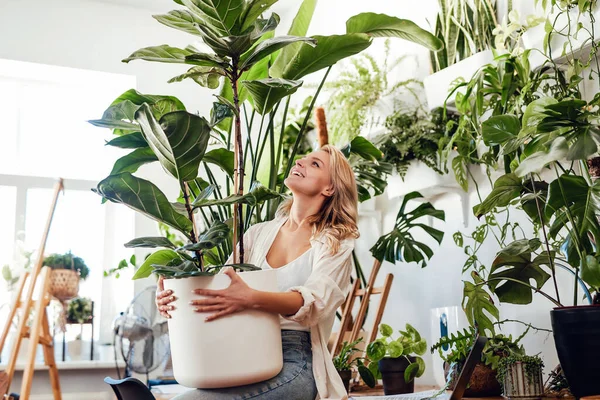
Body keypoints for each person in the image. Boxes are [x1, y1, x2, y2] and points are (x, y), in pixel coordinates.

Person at [155, 144, 360, 400]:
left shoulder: (336, 242)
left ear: (329, 188)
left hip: (296, 364)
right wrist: (172, 298)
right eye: (303, 159)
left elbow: (316, 302)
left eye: (315, 164)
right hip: (242, 354)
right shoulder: (258, 234)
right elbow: (222, 288)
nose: (300, 162)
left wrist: (251, 298)